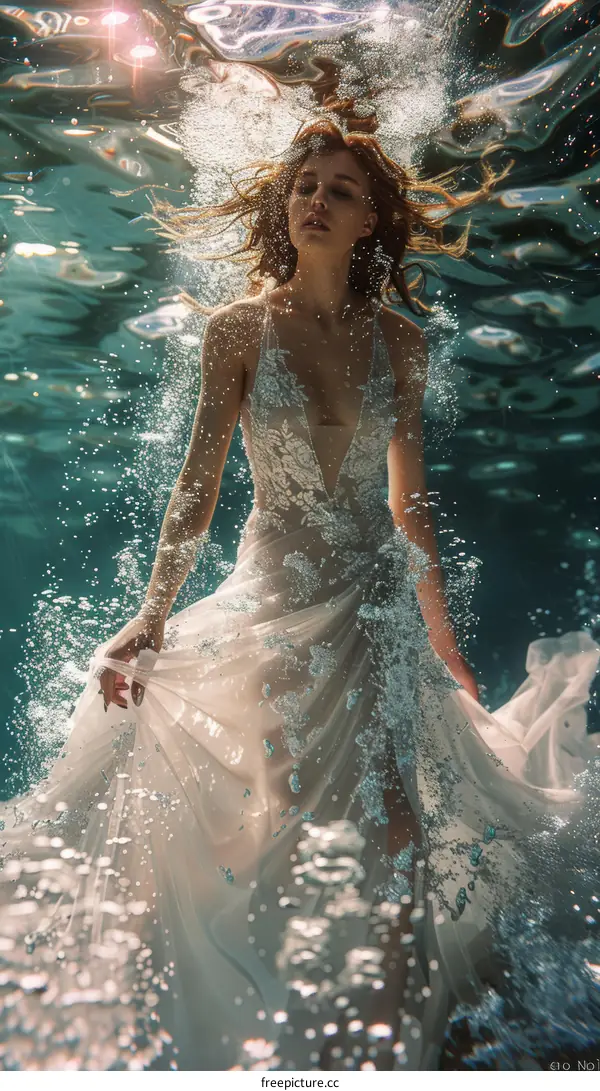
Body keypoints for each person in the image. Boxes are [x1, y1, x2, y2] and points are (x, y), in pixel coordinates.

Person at [0, 113, 598, 1073]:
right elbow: (194, 492)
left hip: (377, 615)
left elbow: (412, 513)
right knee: (293, 819)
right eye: (306, 185)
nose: (316, 200)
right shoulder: (237, 329)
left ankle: (402, 1051)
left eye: (341, 190)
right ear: (287, 205)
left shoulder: (403, 344)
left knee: (399, 829)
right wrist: (151, 617)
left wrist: (445, 653)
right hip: (274, 614)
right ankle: (284, 1043)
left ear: (372, 222)